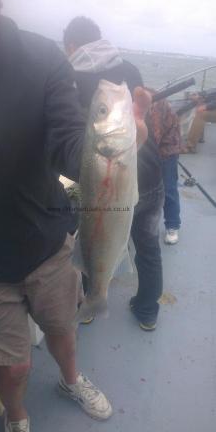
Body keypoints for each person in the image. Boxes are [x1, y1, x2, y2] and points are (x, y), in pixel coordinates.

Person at [0, 0, 113, 432]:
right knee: (12, 367)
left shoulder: (42, 56)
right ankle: (18, 418)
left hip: (47, 245)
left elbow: (70, 148)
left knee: (64, 332)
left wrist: (109, 150)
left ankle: (70, 381)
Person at [63, 16, 164, 332]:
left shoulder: (72, 76)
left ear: (71, 45)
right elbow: (139, 116)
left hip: (105, 183)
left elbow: (76, 137)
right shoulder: (130, 68)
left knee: (92, 234)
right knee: (147, 245)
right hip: (150, 176)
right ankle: (147, 310)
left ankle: (91, 303)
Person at [148, 97, 181, 244]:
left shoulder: (156, 105)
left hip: (167, 151)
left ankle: (172, 225)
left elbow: (155, 135)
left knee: (168, 189)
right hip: (149, 149)